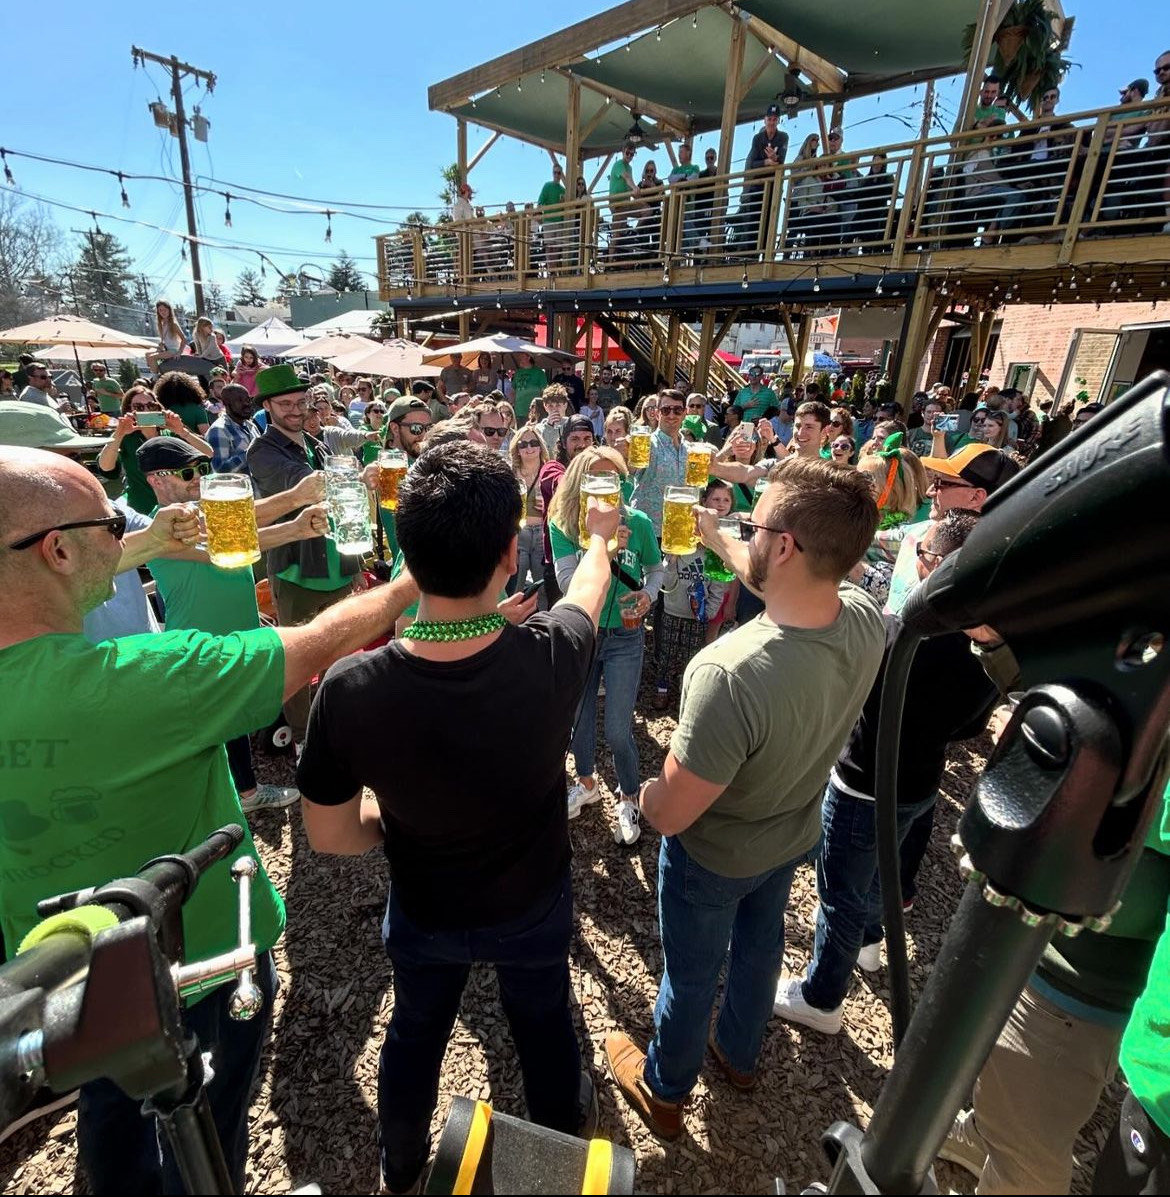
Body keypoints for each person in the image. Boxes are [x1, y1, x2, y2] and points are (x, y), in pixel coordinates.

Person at [0, 443, 420, 1194]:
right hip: (202, 965)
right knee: (206, 1127)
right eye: (110, 524)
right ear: (58, 549)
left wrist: (156, 541)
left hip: (65, 988)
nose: (123, 536)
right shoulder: (144, 681)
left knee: (111, 1114)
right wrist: (407, 584)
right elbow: (312, 644)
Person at [296, 441, 621, 1194]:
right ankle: (553, 1168)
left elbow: (329, 834)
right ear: (511, 553)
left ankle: (402, 1162)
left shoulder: (350, 688)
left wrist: (395, 820)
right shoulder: (551, 655)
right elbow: (589, 591)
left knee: (415, 1031)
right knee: (543, 1030)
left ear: (402, 550)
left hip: (424, 909)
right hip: (532, 904)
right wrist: (600, 532)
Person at [605, 459, 885, 1138]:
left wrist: (639, 793)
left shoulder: (728, 671)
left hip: (714, 854)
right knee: (760, 952)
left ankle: (665, 1089)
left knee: (692, 974)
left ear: (783, 545)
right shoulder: (864, 617)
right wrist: (715, 536)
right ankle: (739, 1054)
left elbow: (672, 812)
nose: (745, 531)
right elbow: (780, 578)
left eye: (753, 524)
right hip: (790, 835)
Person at [773, 511, 1002, 1033]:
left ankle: (821, 998)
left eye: (919, 553)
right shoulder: (986, 642)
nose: (911, 561)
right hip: (920, 783)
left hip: (863, 784)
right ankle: (872, 943)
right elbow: (970, 726)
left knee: (837, 893)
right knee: (882, 871)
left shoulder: (905, 635)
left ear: (939, 567)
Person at [137, 436, 330, 812]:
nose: (197, 479)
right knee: (219, 727)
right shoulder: (151, 527)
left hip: (235, 630)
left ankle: (240, 792)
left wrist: (297, 519)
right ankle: (241, 797)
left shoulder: (196, 513)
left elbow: (243, 524)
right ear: (155, 480)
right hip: (200, 639)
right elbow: (222, 550)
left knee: (235, 721)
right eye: (186, 473)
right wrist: (295, 509)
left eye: (201, 469)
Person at [548, 447, 663, 843]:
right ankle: (587, 783)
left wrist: (649, 593)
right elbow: (567, 586)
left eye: (612, 478)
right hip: (585, 635)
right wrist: (601, 545)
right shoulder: (562, 524)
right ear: (579, 482)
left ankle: (629, 796)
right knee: (578, 719)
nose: (604, 486)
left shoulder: (640, 522)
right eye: (595, 477)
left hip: (626, 637)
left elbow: (656, 568)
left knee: (617, 730)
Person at [247, 364, 361, 751]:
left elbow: (343, 508)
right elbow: (309, 485)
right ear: (267, 406)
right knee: (297, 659)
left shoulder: (315, 443)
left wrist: (356, 565)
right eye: (286, 404)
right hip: (297, 572)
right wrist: (359, 477)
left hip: (337, 568)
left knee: (338, 651)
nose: (296, 410)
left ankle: (330, 721)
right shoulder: (263, 450)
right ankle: (301, 739)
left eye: (301, 402)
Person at [651, 477, 732, 710]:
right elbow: (666, 582)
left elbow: (718, 584)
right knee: (666, 653)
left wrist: (712, 609)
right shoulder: (679, 547)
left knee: (691, 655)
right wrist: (673, 560)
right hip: (672, 610)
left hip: (698, 616)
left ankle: (686, 690)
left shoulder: (713, 553)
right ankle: (662, 687)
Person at [96, 387, 215, 515]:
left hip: (176, 506)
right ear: (129, 410)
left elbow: (208, 454)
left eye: (151, 406)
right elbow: (106, 468)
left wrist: (182, 431)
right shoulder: (125, 438)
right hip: (142, 508)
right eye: (138, 407)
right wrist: (119, 434)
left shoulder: (170, 434)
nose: (146, 411)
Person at [539, 415, 596, 605]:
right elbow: (563, 485)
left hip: (592, 556)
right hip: (559, 561)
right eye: (575, 439)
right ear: (563, 443)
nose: (582, 445)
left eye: (587, 439)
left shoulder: (600, 471)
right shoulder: (552, 468)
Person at [629, 388, 688, 537]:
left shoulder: (690, 448)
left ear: (685, 413)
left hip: (679, 531)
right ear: (657, 413)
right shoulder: (647, 443)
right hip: (648, 532)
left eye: (677, 410)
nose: (672, 415)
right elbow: (630, 469)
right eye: (666, 410)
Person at [740, 104, 789, 250]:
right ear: (765, 120)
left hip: (773, 186)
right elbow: (752, 164)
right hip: (757, 185)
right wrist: (767, 162)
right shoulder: (757, 138)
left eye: (774, 119)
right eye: (770, 119)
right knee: (754, 221)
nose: (772, 122)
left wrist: (775, 159)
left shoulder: (783, 137)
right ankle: (750, 254)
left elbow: (781, 161)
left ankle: (766, 252)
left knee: (769, 220)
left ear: (778, 121)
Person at [510, 423, 548, 593]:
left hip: (541, 532)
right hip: (519, 533)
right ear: (517, 449)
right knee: (516, 587)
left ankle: (542, 618)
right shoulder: (510, 472)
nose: (529, 448)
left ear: (540, 446)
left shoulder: (549, 472)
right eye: (523, 444)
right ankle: (515, 620)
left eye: (533, 443)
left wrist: (549, 504)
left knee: (542, 588)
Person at [206, 383, 261, 477]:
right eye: (239, 400)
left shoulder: (251, 426)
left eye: (248, 399)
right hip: (239, 489)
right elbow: (219, 471)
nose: (246, 404)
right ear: (226, 403)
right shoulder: (219, 430)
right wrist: (250, 453)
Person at [154, 370, 211, 435]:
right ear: (191, 390)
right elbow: (206, 435)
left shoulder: (161, 411)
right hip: (191, 443)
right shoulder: (197, 410)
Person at [537, 163, 567, 270]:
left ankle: (554, 269)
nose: (557, 175)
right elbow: (540, 203)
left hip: (559, 222)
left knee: (557, 248)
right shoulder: (547, 186)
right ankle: (550, 270)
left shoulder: (563, 190)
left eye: (559, 173)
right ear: (552, 173)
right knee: (550, 247)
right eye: (555, 172)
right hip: (549, 221)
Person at [146, 299, 186, 371]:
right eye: (160, 310)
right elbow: (163, 341)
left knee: (152, 357)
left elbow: (184, 339)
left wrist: (179, 352)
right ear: (158, 312)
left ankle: (155, 377)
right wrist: (160, 345)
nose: (163, 312)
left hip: (173, 350)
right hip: (166, 349)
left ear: (169, 310)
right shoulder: (161, 324)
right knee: (147, 354)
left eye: (165, 310)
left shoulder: (173, 324)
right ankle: (157, 370)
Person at [510, 352, 548, 424]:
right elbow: (513, 390)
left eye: (522, 356)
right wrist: (510, 404)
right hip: (518, 412)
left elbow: (544, 392)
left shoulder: (539, 373)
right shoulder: (517, 372)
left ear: (529, 357)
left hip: (534, 413)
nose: (519, 358)